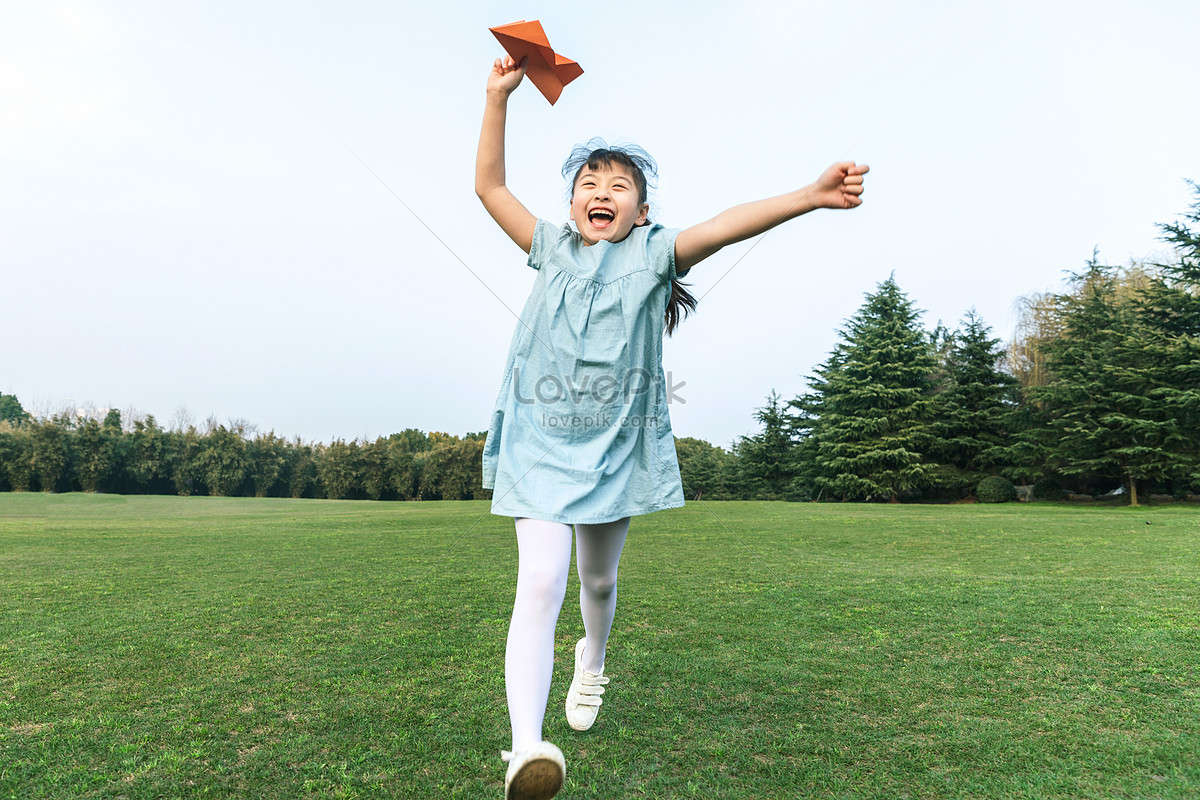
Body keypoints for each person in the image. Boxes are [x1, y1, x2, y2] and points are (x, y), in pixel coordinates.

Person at [475, 54, 868, 800]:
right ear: (572, 207)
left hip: (616, 449)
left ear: (641, 212)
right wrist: (498, 98)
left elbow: (723, 225)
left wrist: (811, 197)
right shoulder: (549, 249)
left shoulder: (655, 254)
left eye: (618, 185)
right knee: (540, 581)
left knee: (597, 578)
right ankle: (526, 750)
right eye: (588, 184)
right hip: (539, 444)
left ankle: (592, 660)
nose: (601, 192)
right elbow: (489, 186)